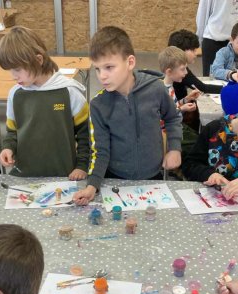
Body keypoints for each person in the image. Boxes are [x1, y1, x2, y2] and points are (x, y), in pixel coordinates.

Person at [73, 26, 183, 205]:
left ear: (130, 62)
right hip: (115, 179)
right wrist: (92, 185)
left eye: (109, 67)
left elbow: (172, 118)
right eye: (97, 69)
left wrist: (174, 149)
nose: (102, 76)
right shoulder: (98, 105)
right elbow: (100, 150)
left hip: (153, 176)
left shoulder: (156, 89)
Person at [0, 26, 90, 179]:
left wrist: (82, 166)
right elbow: (12, 132)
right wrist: (8, 148)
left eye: (17, 69)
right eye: (10, 70)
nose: (13, 76)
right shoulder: (15, 94)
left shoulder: (69, 92)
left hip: (64, 175)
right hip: (25, 176)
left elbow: (85, 135)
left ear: (38, 60)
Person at [158, 46, 200, 159]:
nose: (186, 72)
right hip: (168, 134)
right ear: (169, 71)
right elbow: (162, 119)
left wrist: (186, 99)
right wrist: (182, 109)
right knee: (198, 144)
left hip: (177, 126)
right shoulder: (162, 91)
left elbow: (173, 106)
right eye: (182, 69)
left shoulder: (169, 86)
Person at [168, 29, 223, 102]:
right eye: (193, 50)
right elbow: (203, 88)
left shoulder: (176, 67)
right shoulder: (180, 71)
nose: (196, 53)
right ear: (181, 51)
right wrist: (229, 89)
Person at [196, 0, 238, 76]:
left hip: (235, 41)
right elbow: (203, 13)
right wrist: (200, 39)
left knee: (237, 77)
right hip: (213, 39)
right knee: (212, 79)